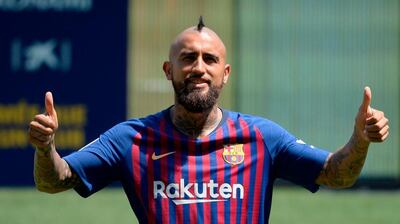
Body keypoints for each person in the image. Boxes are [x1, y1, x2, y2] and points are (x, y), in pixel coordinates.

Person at [29, 18, 389, 223]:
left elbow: (336, 173)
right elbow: (55, 181)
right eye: (188, 58)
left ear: (225, 73)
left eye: (210, 59)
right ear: (169, 70)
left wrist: (360, 139)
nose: (199, 68)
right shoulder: (130, 139)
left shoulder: (261, 137)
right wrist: (46, 148)